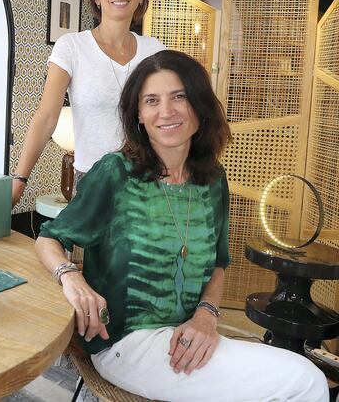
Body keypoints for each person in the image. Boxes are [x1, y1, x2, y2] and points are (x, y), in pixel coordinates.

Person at [35, 50, 328, 401]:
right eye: (152, 101)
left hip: (190, 334)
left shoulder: (213, 180)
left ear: (199, 106)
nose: (167, 111)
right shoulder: (115, 174)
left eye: (179, 97)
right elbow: (49, 238)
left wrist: (206, 316)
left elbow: (218, 263)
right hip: (127, 343)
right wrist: (71, 277)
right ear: (139, 115)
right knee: (306, 381)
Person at [11, 0, 165, 206]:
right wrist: (20, 178)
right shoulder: (71, 46)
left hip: (147, 181)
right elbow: (47, 116)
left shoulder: (156, 51)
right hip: (93, 180)